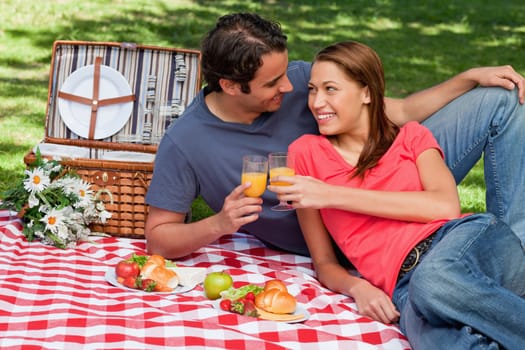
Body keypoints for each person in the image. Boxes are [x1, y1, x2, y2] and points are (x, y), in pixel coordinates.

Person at [144, 12, 525, 259]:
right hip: (346, 242)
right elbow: (159, 238)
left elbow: (401, 112)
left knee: (500, 96)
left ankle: (516, 255)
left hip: (397, 186)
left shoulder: (300, 80)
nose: (292, 88)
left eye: (287, 73)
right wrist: (220, 223)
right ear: (229, 85)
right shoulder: (186, 143)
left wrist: (468, 78)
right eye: (273, 83)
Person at [281, 40, 525, 349]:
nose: (316, 102)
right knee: (441, 342)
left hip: (461, 243)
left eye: (331, 89)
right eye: (313, 90)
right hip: (404, 288)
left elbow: (445, 206)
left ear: (367, 93)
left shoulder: (411, 137)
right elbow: (325, 262)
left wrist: (332, 194)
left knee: (434, 282)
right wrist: (358, 288)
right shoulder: (305, 153)